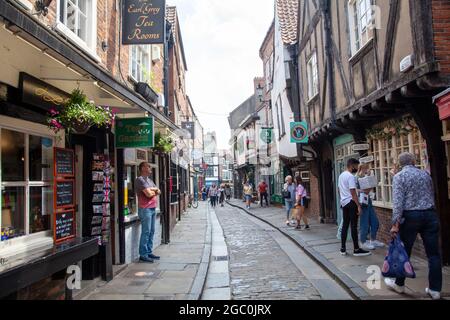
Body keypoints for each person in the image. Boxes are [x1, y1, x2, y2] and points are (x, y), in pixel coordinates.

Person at [385, 153, 442, 300]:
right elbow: (431, 195)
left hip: (410, 216)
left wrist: (395, 224)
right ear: (413, 161)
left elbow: (398, 203)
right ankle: (435, 290)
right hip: (429, 215)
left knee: (404, 251)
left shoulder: (399, 177)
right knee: (434, 255)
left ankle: (399, 284)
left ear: (400, 163)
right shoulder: (425, 175)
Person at [338, 158, 371, 257]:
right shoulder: (350, 176)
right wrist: (358, 206)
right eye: (356, 166)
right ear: (352, 165)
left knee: (345, 226)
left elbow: (339, 190)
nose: (357, 168)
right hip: (352, 203)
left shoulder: (341, 175)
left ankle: (343, 248)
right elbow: (353, 193)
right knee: (353, 226)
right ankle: (356, 249)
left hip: (344, 203)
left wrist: (343, 199)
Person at [135, 162, 161, 263]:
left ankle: (149, 251)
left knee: (151, 231)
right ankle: (143, 254)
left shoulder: (149, 180)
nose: (150, 168)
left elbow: (159, 191)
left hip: (153, 208)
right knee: (146, 232)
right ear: (142, 168)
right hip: (145, 209)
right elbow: (149, 194)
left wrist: (153, 189)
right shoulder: (139, 180)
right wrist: (153, 190)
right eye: (147, 166)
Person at [357, 164, 384, 250]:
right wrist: (363, 190)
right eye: (365, 168)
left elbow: (369, 189)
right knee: (364, 223)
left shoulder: (366, 176)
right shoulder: (356, 178)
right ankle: (363, 241)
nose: (366, 170)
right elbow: (353, 190)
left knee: (375, 222)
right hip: (362, 202)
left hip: (368, 201)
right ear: (360, 169)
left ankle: (373, 240)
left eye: (367, 168)